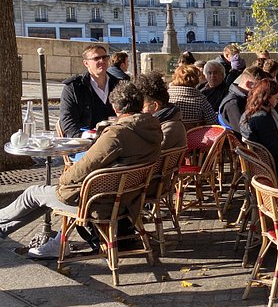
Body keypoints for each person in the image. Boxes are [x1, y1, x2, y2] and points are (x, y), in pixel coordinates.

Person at [0, 82, 163, 257]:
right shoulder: (153, 129)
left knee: (33, 193)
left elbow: (84, 167)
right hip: (128, 198)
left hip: (98, 202)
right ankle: (2, 230)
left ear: (115, 108)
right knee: (43, 196)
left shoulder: (117, 134)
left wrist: (64, 179)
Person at [60, 44, 120, 137]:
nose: (102, 61)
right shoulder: (73, 87)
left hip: (116, 140)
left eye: (105, 57)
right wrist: (86, 135)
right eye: (96, 58)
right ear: (86, 63)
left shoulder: (119, 85)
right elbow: (68, 121)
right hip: (87, 143)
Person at [135, 72, 188, 150]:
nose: (140, 111)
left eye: (142, 107)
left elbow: (146, 152)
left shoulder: (171, 126)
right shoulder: (162, 121)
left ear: (155, 106)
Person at [219, 66, 268, 137]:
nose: (260, 91)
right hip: (241, 145)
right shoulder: (233, 104)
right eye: (258, 87)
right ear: (248, 84)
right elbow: (242, 132)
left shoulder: (244, 98)